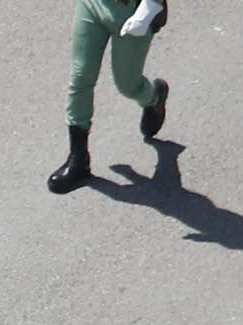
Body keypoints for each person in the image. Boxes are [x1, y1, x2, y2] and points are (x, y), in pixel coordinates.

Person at [54, 0, 166, 189]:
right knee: (80, 77)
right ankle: (78, 158)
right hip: (92, 5)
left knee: (128, 85)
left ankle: (154, 99)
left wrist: (147, 10)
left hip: (132, 11)